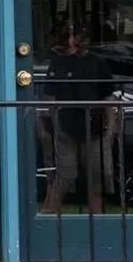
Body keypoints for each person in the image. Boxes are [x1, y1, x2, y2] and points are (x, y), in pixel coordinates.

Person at [39, 21, 114, 216]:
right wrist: (51, 124)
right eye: (72, 36)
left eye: (79, 36)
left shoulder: (98, 63)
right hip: (66, 126)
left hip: (95, 126)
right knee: (65, 174)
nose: (76, 41)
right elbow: (49, 97)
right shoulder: (58, 62)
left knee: (96, 176)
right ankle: (49, 215)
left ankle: (97, 219)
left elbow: (108, 96)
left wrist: (111, 125)